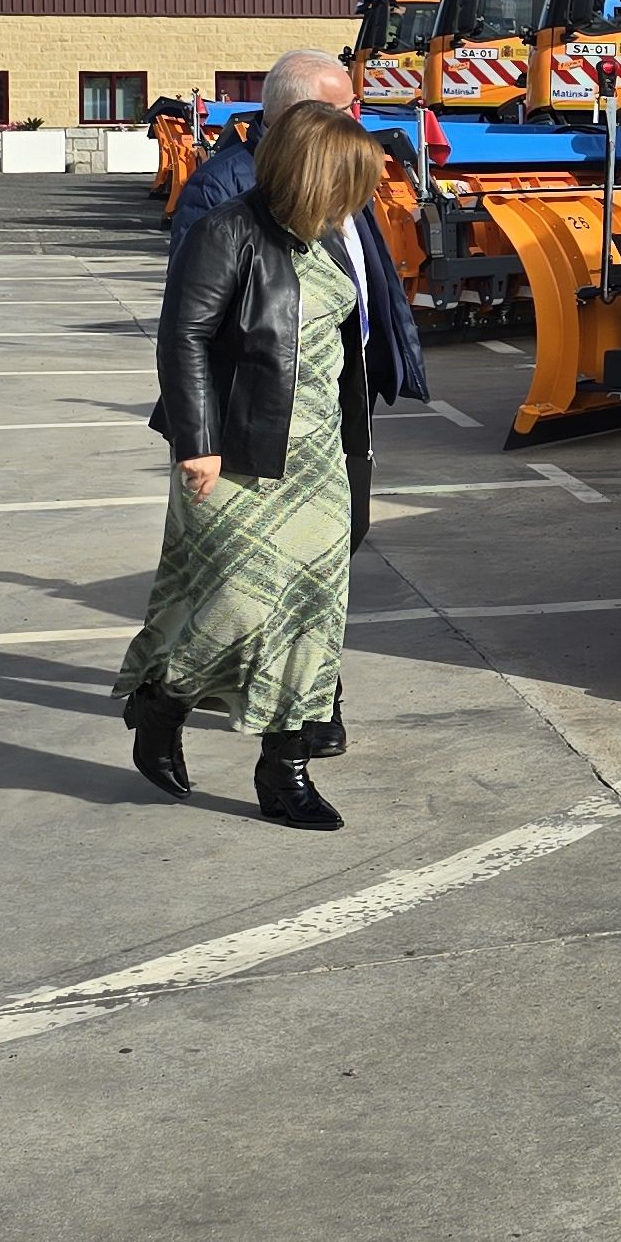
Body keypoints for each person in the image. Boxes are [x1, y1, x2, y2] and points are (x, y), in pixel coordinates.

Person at [121, 104, 391, 830]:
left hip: (316, 455)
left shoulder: (328, 236)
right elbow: (183, 339)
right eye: (348, 184)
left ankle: (286, 769)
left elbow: (346, 344)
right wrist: (196, 443)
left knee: (310, 612)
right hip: (237, 451)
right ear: (310, 175)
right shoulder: (226, 231)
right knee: (234, 607)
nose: (357, 201)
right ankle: (161, 703)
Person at [161, 47, 425, 763]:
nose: (357, 123)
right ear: (295, 117)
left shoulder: (341, 169)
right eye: (341, 111)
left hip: (339, 406)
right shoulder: (224, 198)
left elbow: (362, 282)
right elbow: (190, 330)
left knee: (328, 562)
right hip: (256, 423)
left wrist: (393, 356)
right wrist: (200, 438)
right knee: (254, 587)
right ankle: (203, 704)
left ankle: (305, 700)